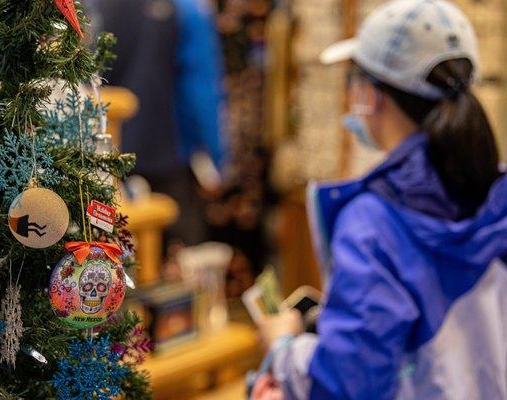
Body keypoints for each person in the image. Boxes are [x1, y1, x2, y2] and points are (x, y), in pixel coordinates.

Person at [254, 1, 507, 399]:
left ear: (369, 95)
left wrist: (284, 348)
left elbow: (346, 383)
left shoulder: (373, 224)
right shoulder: (493, 194)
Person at [87, 0, 227, 246]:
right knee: (178, 264)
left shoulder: (94, 6)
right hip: (170, 162)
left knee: (111, 257)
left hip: (105, 159)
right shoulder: (188, 9)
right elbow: (200, 91)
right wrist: (215, 161)